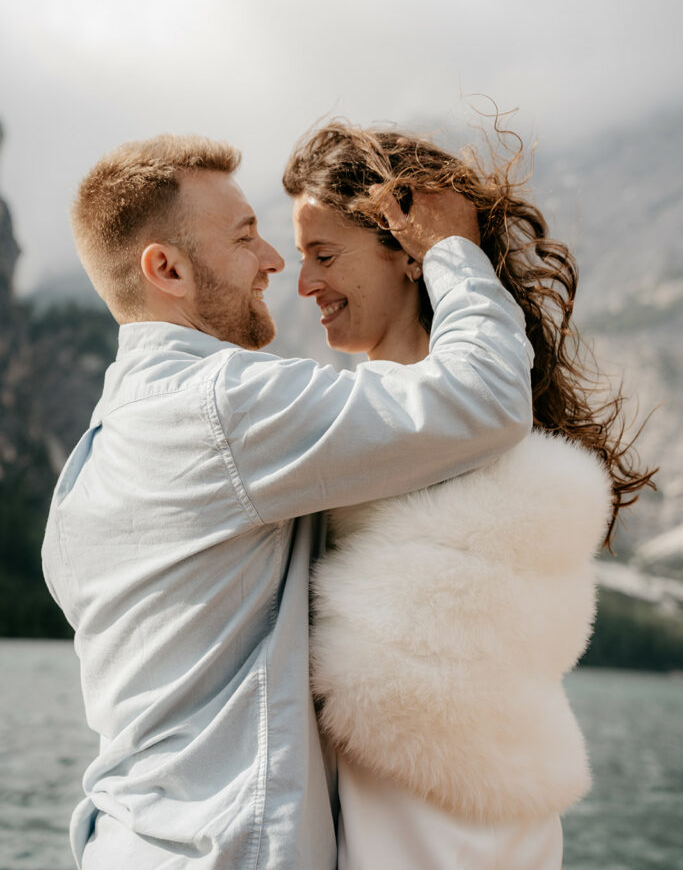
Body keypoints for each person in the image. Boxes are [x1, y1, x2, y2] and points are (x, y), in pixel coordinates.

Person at [41, 133, 534, 869]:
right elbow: (487, 397)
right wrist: (451, 252)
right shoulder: (221, 407)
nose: (275, 262)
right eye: (246, 239)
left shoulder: (87, 463)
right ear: (166, 268)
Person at [283, 120, 655, 870]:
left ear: (408, 256)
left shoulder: (374, 429)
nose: (304, 286)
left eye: (323, 256)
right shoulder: (502, 444)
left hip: (410, 818)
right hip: (516, 817)